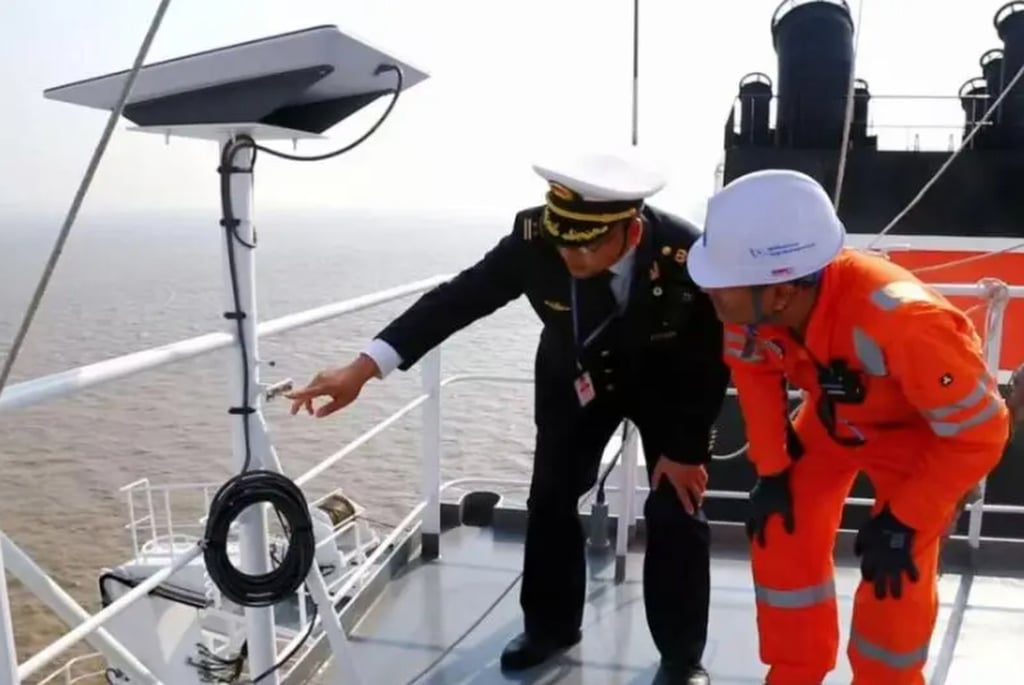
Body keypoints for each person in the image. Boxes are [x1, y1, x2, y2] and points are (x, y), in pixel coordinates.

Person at [285, 151, 730, 684]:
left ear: (632, 233)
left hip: (666, 385)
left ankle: (682, 658)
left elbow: (710, 357)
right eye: (564, 239)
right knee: (549, 498)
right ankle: (549, 628)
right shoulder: (534, 238)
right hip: (576, 376)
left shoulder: (687, 254)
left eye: (587, 243)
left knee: (677, 509)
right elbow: (459, 299)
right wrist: (362, 368)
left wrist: (687, 451)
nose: (572, 255)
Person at [684, 168, 1011, 685]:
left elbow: (981, 432)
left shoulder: (906, 323)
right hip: (831, 422)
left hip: (918, 440)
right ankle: (795, 670)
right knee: (779, 526)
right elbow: (754, 371)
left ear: (782, 292)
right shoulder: (749, 310)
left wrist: (906, 519)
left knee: (894, 574)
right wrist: (772, 472)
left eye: (721, 286)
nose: (711, 297)